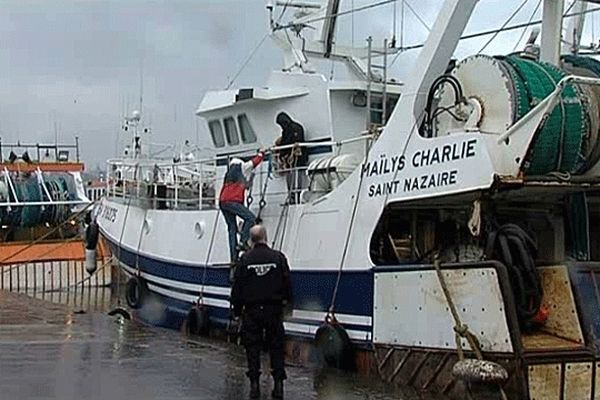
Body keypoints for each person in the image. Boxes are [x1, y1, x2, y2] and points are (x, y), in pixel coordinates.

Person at [231, 225, 293, 399]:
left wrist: (236, 311)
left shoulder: (244, 260)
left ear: (251, 240)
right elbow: (287, 283)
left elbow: (238, 288)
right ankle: (279, 385)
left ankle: (254, 386)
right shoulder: (279, 258)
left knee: (252, 348)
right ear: (266, 237)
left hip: (251, 311)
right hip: (274, 310)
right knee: (276, 347)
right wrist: (288, 307)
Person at [219, 151, 265, 261]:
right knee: (250, 218)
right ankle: (243, 242)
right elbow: (254, 163)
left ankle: (233, 258)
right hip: (232, 201)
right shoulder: (242, 167)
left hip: (223, 202)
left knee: (232, 229)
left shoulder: (228, 173)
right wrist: (261, 154)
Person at [275, 112, 308, 204]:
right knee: (290, 177)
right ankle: (292, 195)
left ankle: (296, 195)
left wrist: (286, 153)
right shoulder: (287, 130)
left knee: (297, 176)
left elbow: (294, 142)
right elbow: (285, 142)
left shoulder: (295, 128)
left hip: (298, 158)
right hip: (290, 160)